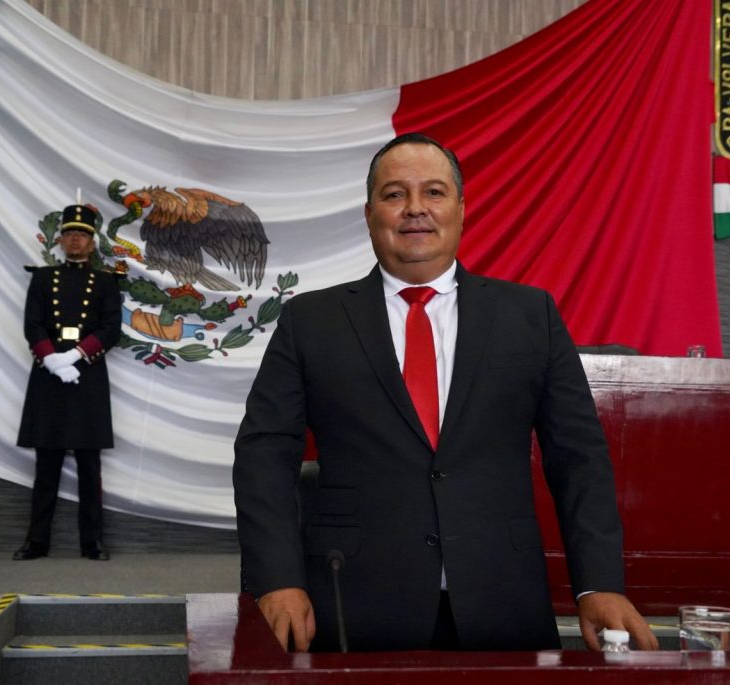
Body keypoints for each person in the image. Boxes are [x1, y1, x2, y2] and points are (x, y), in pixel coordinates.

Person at [233, 133, 658, 653]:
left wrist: (598, 583)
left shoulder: (531, 316)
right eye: (395, 194)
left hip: (502, 601)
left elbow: (579, 458)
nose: (415, 208)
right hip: (351, 605)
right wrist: (276, 578)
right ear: (369, 214)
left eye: (433, 192)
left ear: (461, 209)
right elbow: (264, 454)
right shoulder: (310, 321)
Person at [13, 203, 122, 562]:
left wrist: (75, 356)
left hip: (87, 374)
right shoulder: (43, 278)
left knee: (90, 468)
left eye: (83, 234)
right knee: (46, 465)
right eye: (70, 233)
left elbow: (111, 329)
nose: (76, 240)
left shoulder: (105, 282)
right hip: (49, 375)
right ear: (60, 240)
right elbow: (33, 324)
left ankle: (93, 542)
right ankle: (36, 541)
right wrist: (51, 359)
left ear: (92, 242)